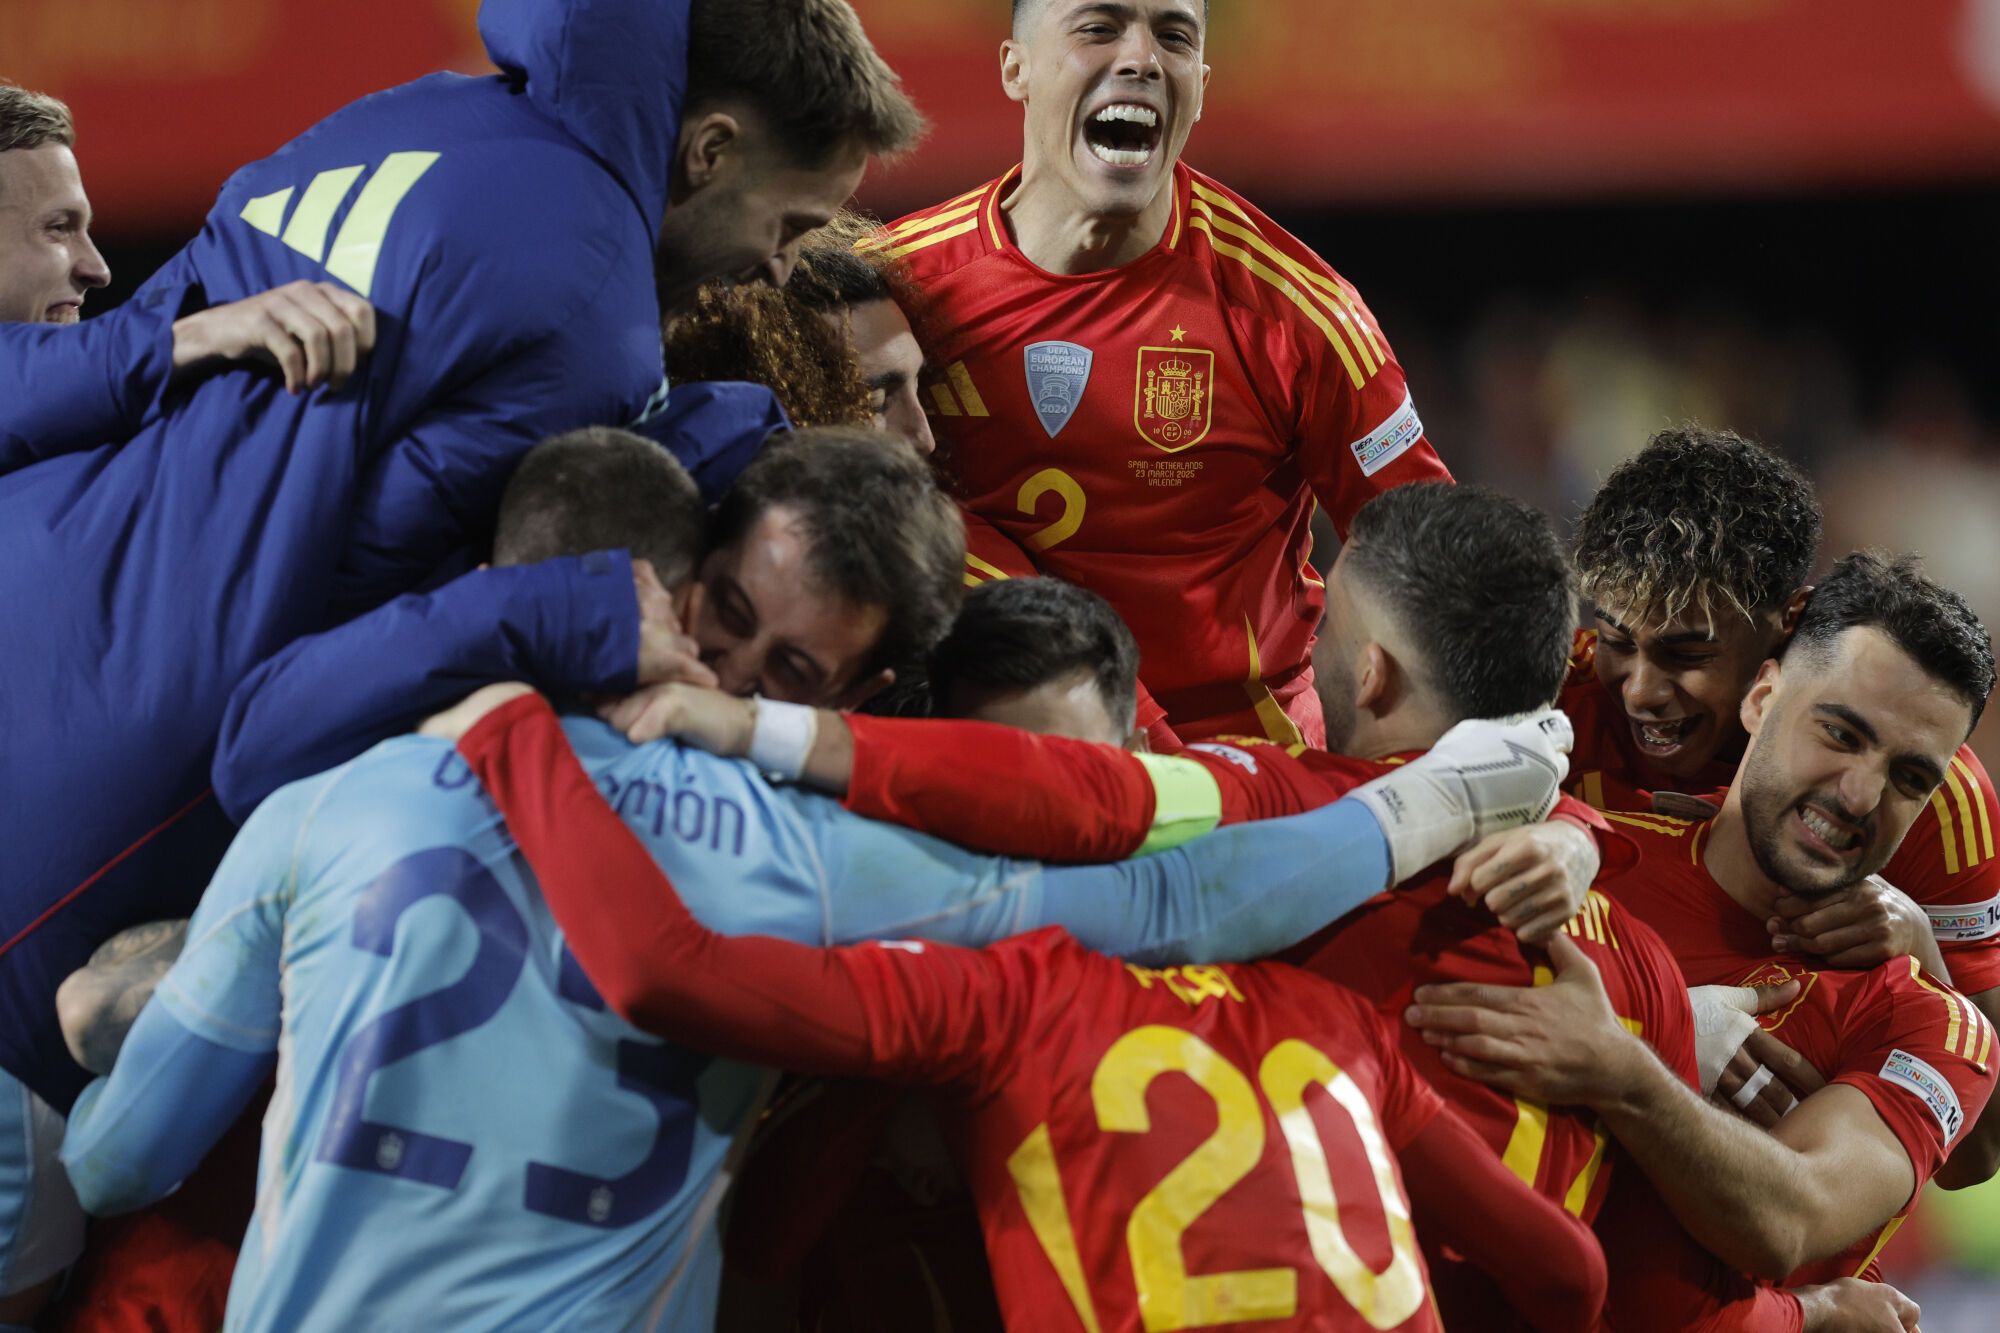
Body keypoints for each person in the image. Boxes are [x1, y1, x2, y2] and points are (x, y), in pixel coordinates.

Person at [0, 0, 925, 1114]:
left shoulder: (404, 115)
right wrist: (606, 560)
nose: (775, 273)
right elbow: (300, 690)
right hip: (87, 822)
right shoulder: (597, 318)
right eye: (786, 227)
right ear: (710, 150)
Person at [60, 687, 1570, 1326]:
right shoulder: (1339, 1028)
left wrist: (524, 746)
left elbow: (671, 979)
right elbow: (1567, 1281)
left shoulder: (994, 1003)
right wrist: (1465, 802)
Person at [1408, 552, 1998, 1296]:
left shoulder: (1933, 1025)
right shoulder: (1572, 859)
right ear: (1760, 696)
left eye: (1909, 778)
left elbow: (1792, 1219)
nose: (1859, 794)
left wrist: (1628, 1066)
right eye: (1840, 734)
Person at [872, 0, 1451, 749]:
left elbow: (1438, 570)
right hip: (991, 743)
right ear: (1016, 69)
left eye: (1173, 36)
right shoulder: (895, 294)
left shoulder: (1299, 314)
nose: (1142, 58)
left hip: (1243, 765)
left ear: (1201, 86)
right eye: (1099, 27)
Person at [1565, 427, 2000, 1183]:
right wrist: (1660, 1036)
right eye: (1617, 641)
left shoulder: (1931, 794)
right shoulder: (1551, 704)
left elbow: (1979, 1156)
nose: (1638, 687)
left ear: (1784, 624)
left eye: (1686, 653)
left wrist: (1923, 951)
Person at [211, 428, 964, 822]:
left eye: (791, 671)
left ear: (860, 691)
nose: (729, 675)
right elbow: (254, 755)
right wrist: (524, 609)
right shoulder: (546, 629)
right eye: (731, 612)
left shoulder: (829, 841)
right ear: (705, 547)